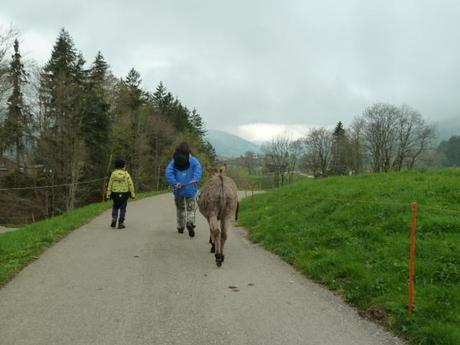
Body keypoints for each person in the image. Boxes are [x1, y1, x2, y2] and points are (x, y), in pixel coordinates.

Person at [165, 142, 202, 237]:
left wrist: (175, 182)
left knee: (180, 209)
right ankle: (190, 223)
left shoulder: (174, 161)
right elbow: (198, 169)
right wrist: (195, 178)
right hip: (191, 188)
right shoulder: (193, 160)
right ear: (188, 150)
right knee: (191, 209)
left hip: (178, 189)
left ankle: (180, 227)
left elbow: (168, 172)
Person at [106, 159, 136, 229]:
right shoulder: (126, 174)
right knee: (123, 208)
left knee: (115, 206)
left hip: (115, 193)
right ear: (123, 166)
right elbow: (131, 184)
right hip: (124, 193)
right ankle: (121, 223)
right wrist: (132, 194)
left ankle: (114, 218)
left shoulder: (113, 174)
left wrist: (108, 194)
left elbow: (110, 184)